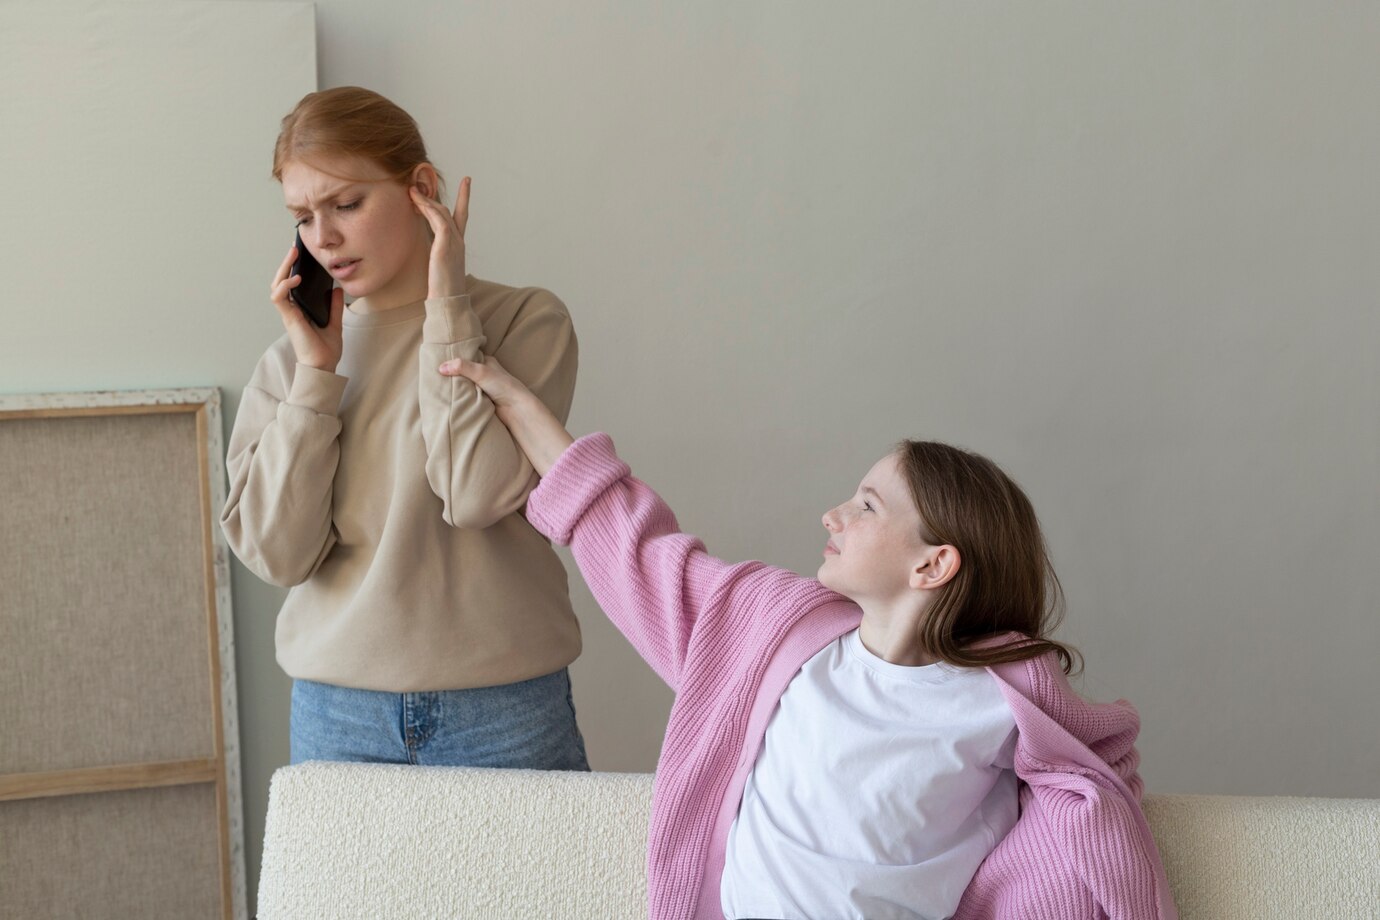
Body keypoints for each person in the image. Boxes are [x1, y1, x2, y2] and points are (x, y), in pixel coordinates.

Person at [437, 353, 1178, 920]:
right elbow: (633, 545)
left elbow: (1091, 805)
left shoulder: (1005, 701)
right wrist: (521, 407)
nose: (833, 515)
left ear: (932, 563)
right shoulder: (770, 638)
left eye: (866, 505)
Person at [221, 87, 588, 771]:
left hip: (503, 709)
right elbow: (279, 554)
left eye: (346, 204)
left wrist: (446, 306)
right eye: (302, 217)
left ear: (421, 188)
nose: (322, 238)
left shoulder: (524, 323)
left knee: (528, 886)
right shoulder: (288, 366)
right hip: (338, 715)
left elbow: (474, 495)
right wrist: (317, 378)